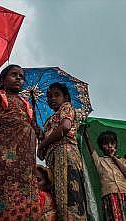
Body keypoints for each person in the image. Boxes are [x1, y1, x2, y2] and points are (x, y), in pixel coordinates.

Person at [0, 64, 42, 220]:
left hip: (26, 161)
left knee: (27, 195)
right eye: (14, 75)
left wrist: (44, 135)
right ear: (2, 80)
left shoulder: (27, 104)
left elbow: (38, 131)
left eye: (21, 76)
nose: (19, 78)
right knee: (4, 194)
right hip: (3, 157)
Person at [37, 82, 87, 220]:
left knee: (68, 194)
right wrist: (40, 135)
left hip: (65, 152)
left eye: (56, 95)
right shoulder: (49, 121)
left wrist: (42, 145)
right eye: (49, 96)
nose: (52, 98)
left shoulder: (66, 107)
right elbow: (45, 142)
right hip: (53, 157)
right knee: (57, 196)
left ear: (65, 97)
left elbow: (65, 127)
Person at [83, 130, 126, 221]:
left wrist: (113, 157)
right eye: (106, 144)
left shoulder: (123, 160)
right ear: (101, 147)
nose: (110, 146)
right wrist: (85, 132)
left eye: (112, 143)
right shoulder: (99, 161)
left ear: (116, 145)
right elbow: (88, 142)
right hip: (110, 196)